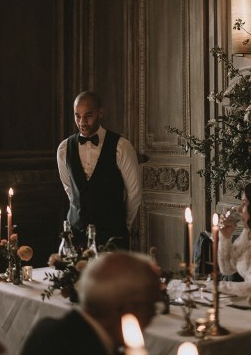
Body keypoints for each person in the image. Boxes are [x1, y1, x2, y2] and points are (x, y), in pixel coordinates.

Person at [19, 251, 161, 355]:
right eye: (150, 306)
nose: (154, 315)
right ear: (125, 308)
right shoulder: (84, 349)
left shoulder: (46, 330)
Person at [57, 91, 142, 248]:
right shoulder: (64, 149)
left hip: (113, 234)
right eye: (77, 116)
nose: (82, 122)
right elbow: (70, 189)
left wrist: (123, 224)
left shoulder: (121, 146)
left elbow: (134, 193)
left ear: (100, 113)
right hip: (76, 235)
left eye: (88, 116)